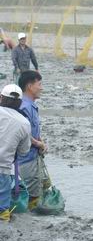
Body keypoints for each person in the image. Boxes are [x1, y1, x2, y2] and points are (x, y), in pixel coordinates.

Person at [16, 71, 47, 210]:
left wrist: (40, 140)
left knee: (38, 189)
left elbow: (32, 129)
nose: (42, 88)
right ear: (29, 86)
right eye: (39, 84)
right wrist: (37, 143)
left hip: (33, 156)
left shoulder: (31, 105)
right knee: (30, 194)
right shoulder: (24, 107)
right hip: (26, 159)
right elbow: (21, 132)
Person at [0, 84, 31, 222]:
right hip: (4, 169)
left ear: (1, 97)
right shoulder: (24, 123)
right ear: (20, 103)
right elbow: (24, 151)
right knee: (2, 211)